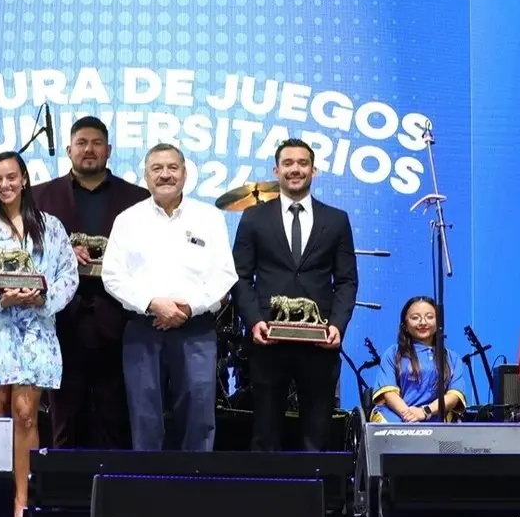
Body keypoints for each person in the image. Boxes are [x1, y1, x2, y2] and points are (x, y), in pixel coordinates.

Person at [0, 151, 78, 517]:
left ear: (24, 179)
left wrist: (43, 299)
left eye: (12, 177)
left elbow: (68, 276)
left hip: (35, 333)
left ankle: (24, 502)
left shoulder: (50, 227)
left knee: (25, 415)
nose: (5, 185)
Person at [103, 143, 238, 452]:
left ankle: (194, 491)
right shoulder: (128, 219)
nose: (165, 175)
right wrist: (153, 304)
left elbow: (224, 275)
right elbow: (112, 276)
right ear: (146, 176)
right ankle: (147, 495)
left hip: (196, 331)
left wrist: (188, 308)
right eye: (157, 169)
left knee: (198, 419)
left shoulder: (209, 217)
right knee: (145, 418)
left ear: (185, 173)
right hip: (142, 330)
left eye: (172, 168)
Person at [232, 138, 358, 450]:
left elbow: (346, 281)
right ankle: (263, 496)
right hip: (267, 341)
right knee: (265, 431)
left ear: (314, 169)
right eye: (288, 163)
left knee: (317, 433)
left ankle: (319, 497)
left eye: (302, 163)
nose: (295, 169)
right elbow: (240, 276)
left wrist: (338, 326)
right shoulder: (253, 218)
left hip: (320, 344)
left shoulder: (337, 219)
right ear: (276, 170)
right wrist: (253, 321)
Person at [32, 116, 147, 449]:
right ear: (68, 150)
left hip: (120, 323)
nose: (89, 149)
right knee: (63, 418)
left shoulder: (137, 199)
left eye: (97, 143)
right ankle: (61, 490)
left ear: (109, 150)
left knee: (117, 416)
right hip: (61, 322)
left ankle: (118, 492)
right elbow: (28, 253)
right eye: (81, 143)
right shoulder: (40, 197)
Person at [369, 296, 467, 422]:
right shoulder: (393, 353)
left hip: (434, 415)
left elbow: (453, 396)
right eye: (415, 318)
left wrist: (425, 411)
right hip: (397, 415)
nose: (423, 322)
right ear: (405, 324)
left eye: (430, 317)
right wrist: (409, 415)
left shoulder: (452, 358)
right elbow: (388, 393)